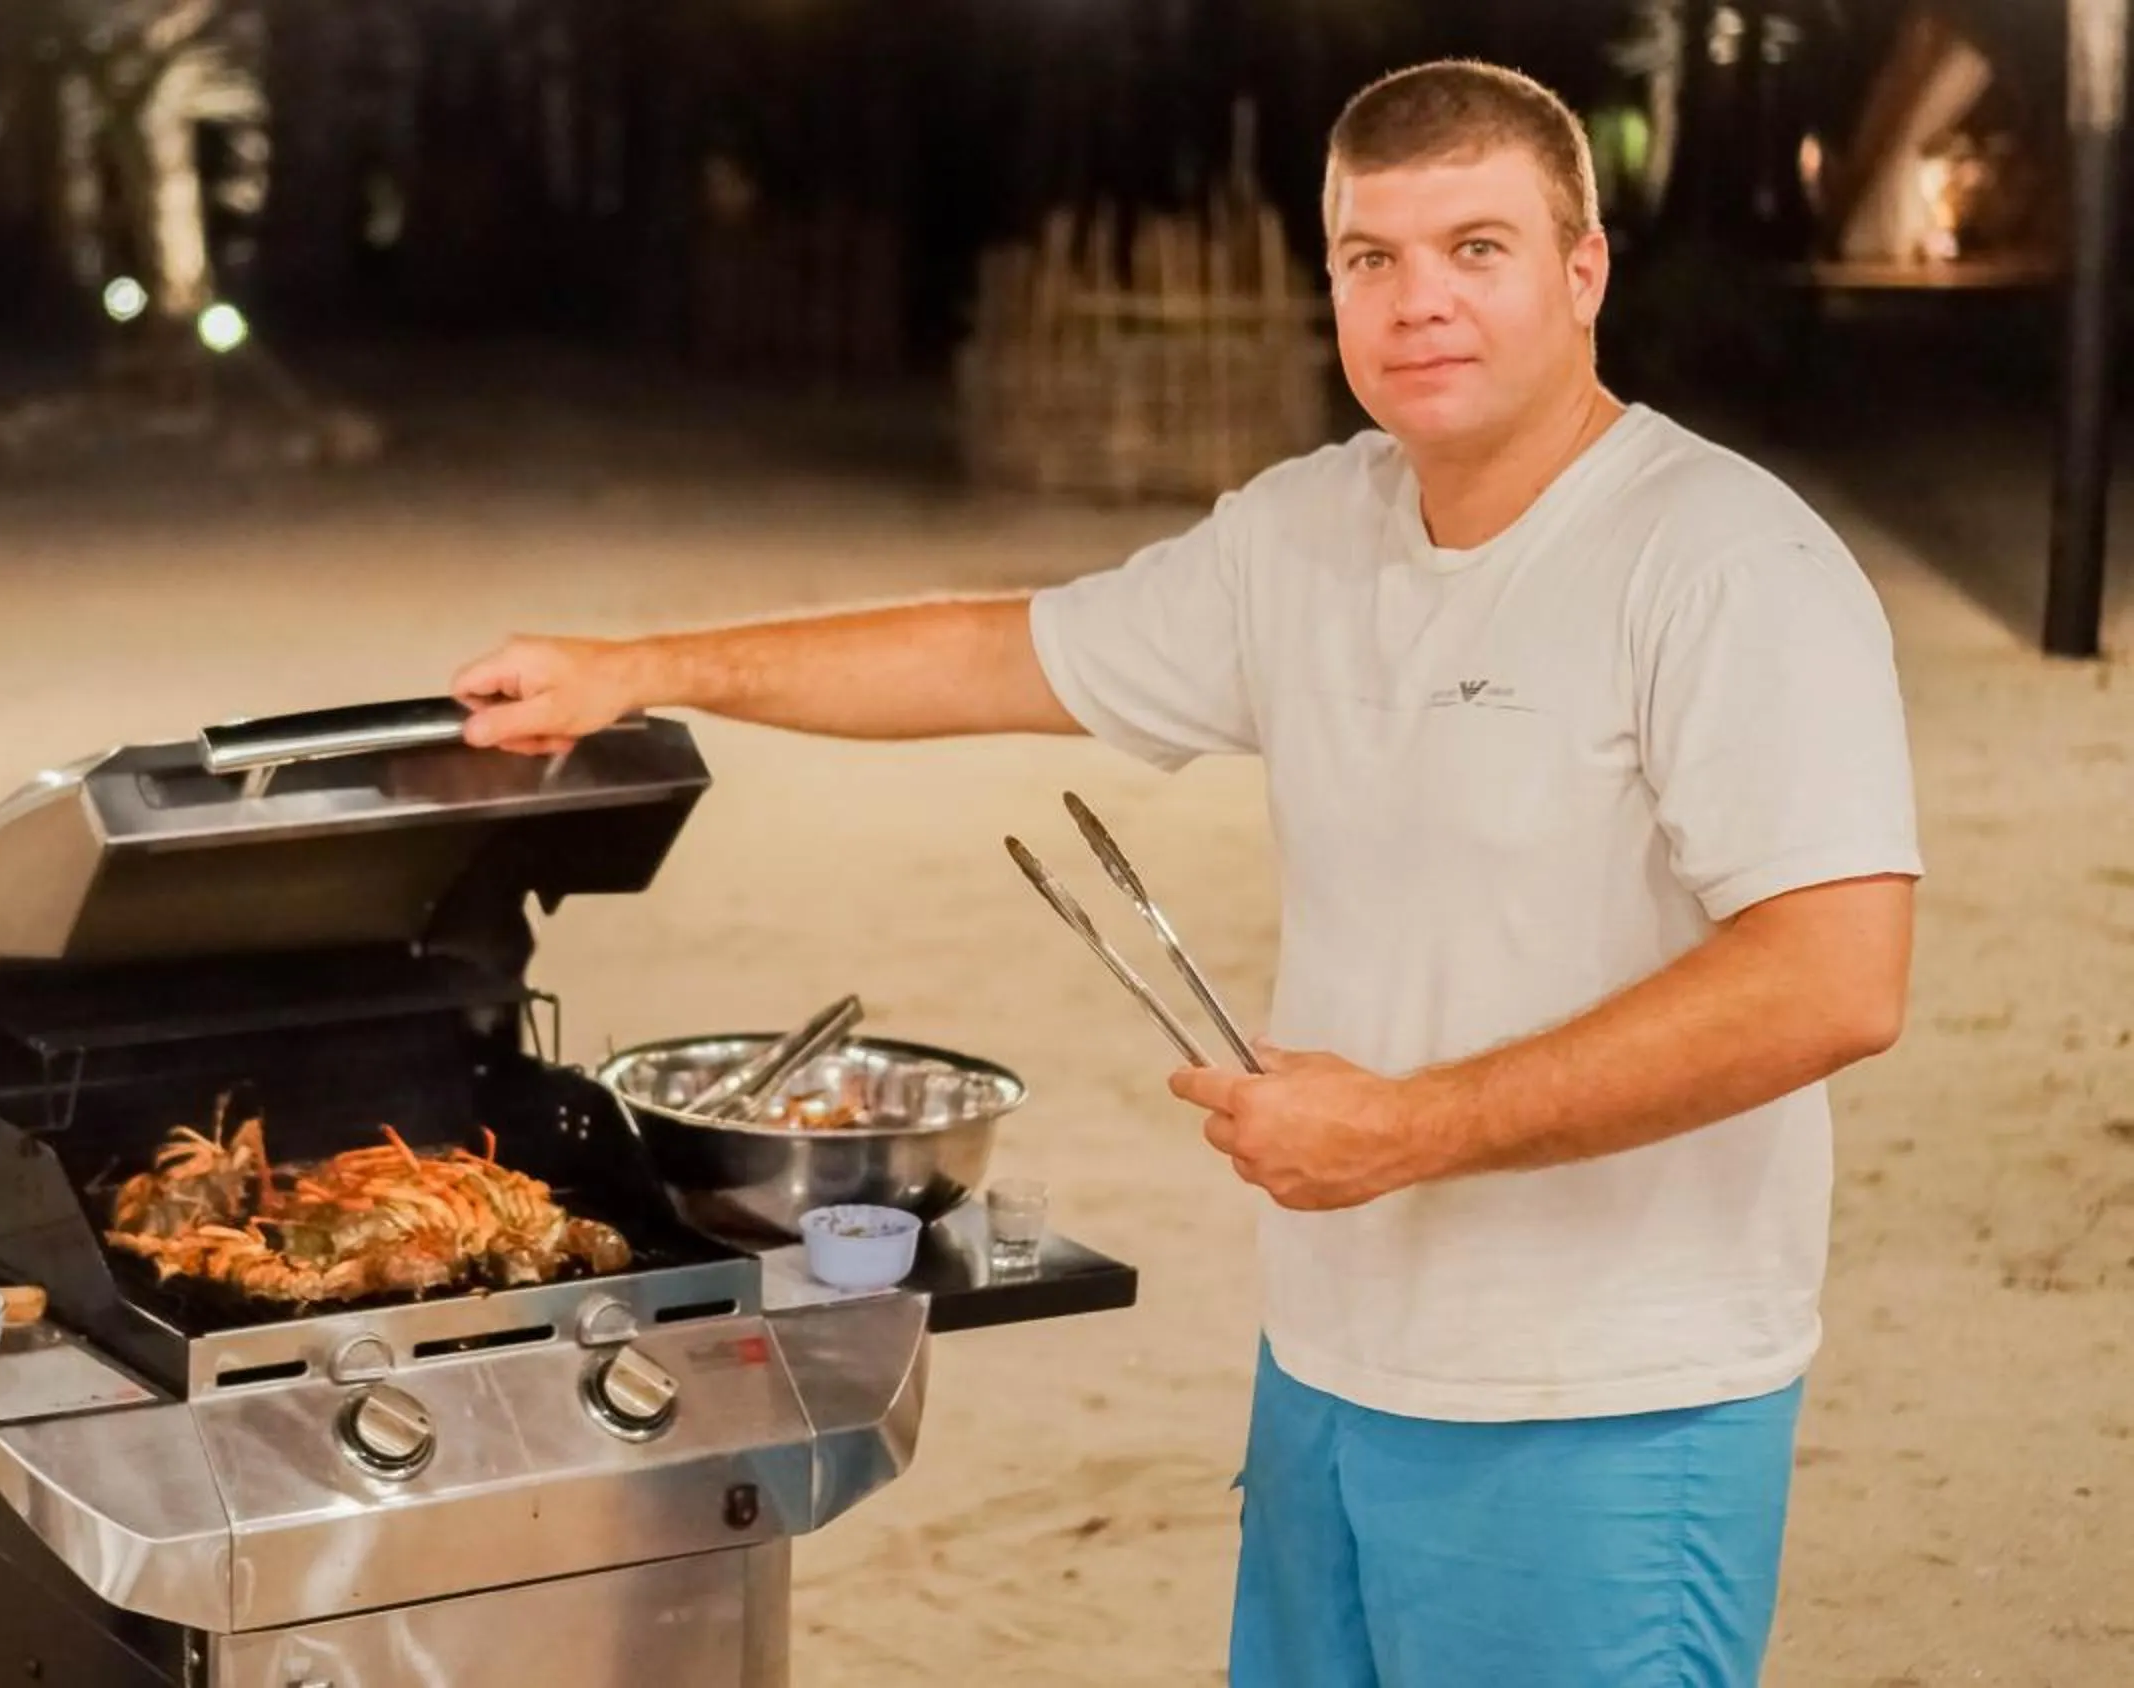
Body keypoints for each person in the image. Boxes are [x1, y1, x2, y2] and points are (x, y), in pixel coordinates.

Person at [448, 57, 1918, 1688]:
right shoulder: (1313, 528)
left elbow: (1836, 977)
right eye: (1373, 257)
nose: (1418, 300)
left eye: (1477, 249)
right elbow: (991, 652)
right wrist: (643, 666)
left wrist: (1416, 1126)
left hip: (1610, 1404)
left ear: (1585, 272)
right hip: (1340, 1371)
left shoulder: (1724, 560)